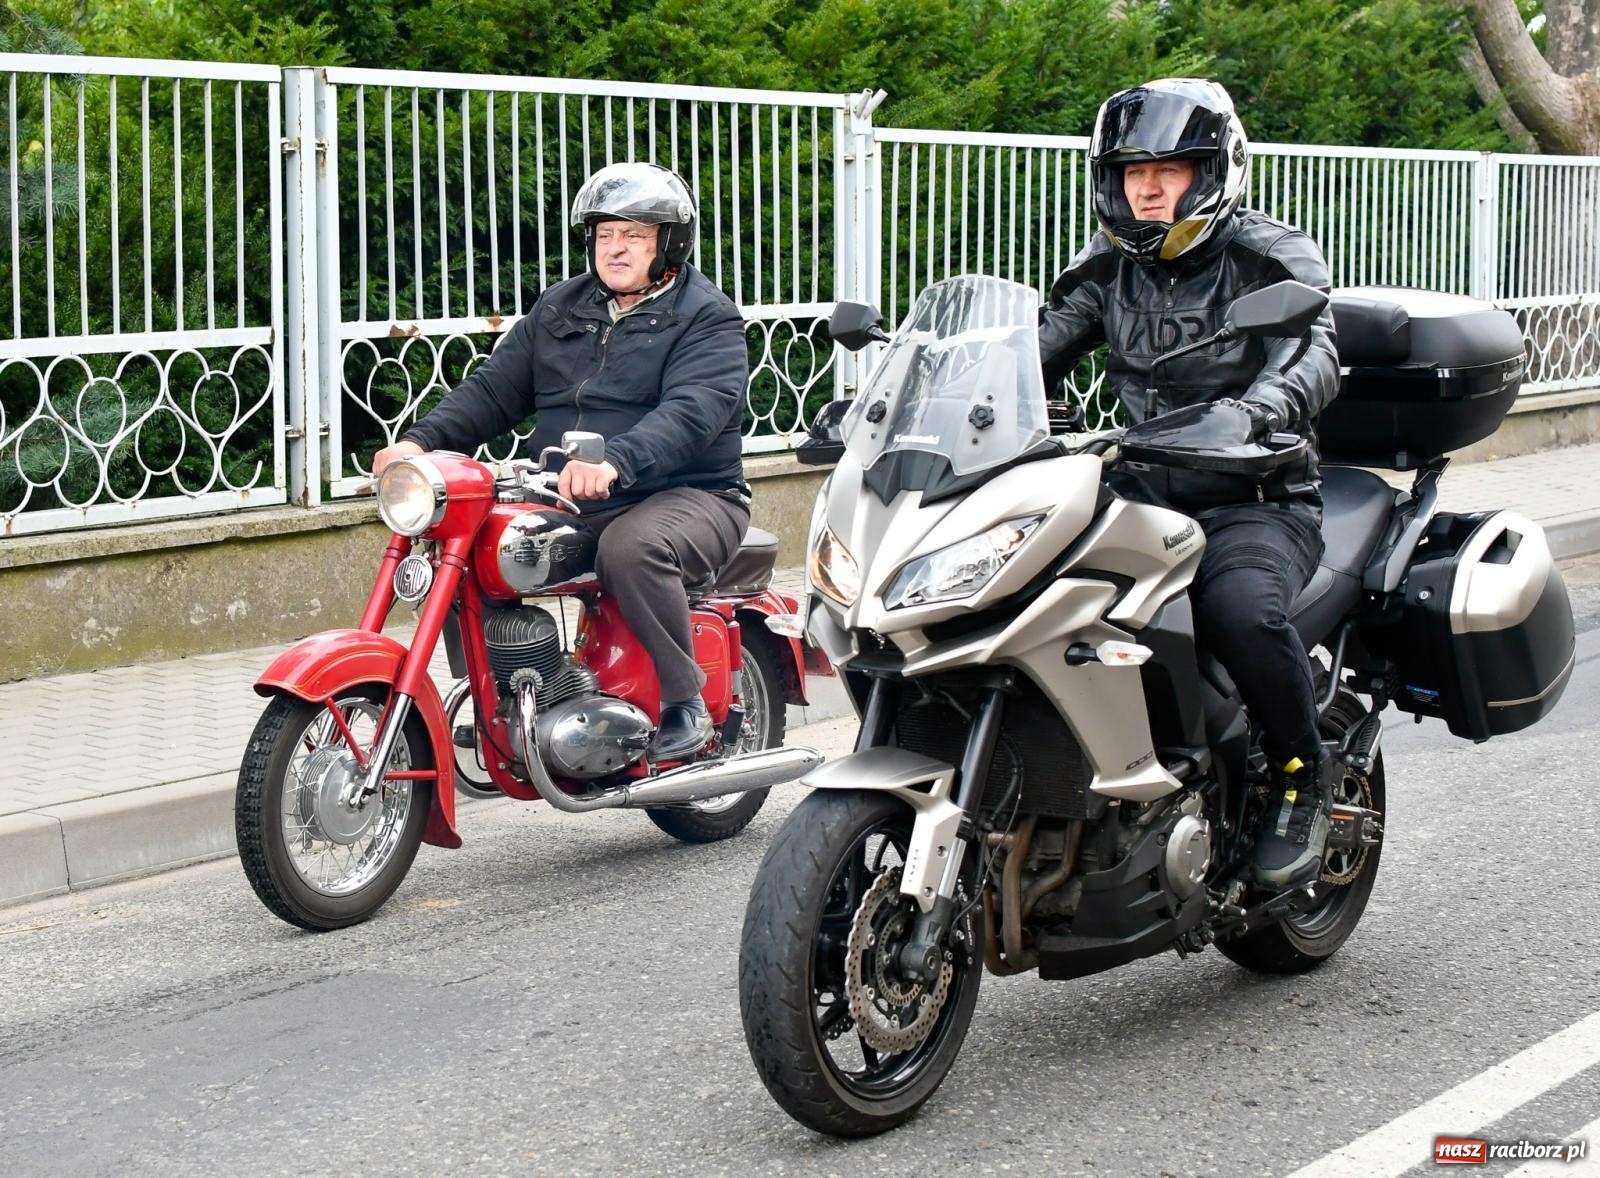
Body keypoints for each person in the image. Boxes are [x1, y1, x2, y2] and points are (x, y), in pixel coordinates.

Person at [1038, 78, 1341, 890]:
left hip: (1256, 494)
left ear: (1213, 172)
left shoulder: (1270, 257)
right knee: (1034, 606)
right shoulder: (1103, 267)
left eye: (1168, 169)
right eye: (1132, 171)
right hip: (1140, 489)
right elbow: (1036, 343)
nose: (1146, 187)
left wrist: (1258, 410)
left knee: (1239, 610)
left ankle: (1300, 777)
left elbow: (1313, 348)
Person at [373, 162, 751, 762]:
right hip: (570, 493)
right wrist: (419, 443)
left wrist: (618, 461)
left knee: (631, 548)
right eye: (605, 234)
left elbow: (693, 410)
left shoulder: (707, 317)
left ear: (669, 241)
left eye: (634, 234)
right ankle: (504, 694)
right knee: (471, 541)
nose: (616, 247)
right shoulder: (561, 307)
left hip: (690, 495)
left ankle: (688, 703)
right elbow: (495, 390)